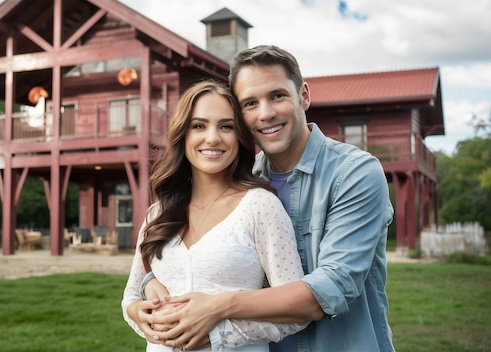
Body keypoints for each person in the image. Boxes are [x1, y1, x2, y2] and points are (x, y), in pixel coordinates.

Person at [131, 46, 396, 352]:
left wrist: (220, 306)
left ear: (304, 96)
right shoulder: (245, 185)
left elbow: (333, 286)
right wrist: (148, 281)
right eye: (250, 103)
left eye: (277, 96)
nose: (266, 113)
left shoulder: (354, 173)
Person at [121, 80, 308, 351]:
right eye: (199, 126)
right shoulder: (158, 213)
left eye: (226, 126)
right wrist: (138, 312)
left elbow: (295, 312)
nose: (212, 138)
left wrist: (218, 333)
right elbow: (131, 294)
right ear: (182, 134)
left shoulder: (261, 206)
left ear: (239, 136)